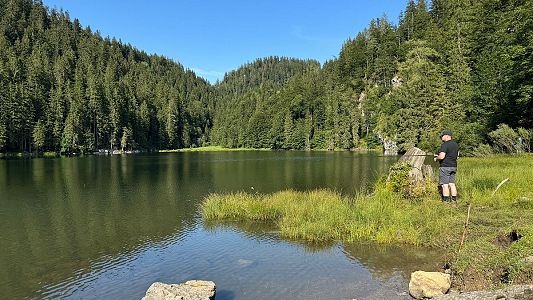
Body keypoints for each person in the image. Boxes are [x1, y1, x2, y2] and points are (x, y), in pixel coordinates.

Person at [434, 130, 459, 203]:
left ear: (447, 136)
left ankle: (446, 202)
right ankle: (454, 201)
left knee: (444, 185)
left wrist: (436, 158)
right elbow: (457, 156)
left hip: (445, 167)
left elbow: (441, 157)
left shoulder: (445, 144)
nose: (441, 137)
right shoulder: (456, 145)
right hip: (453, 166)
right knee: (452, 184)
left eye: (442, 136)